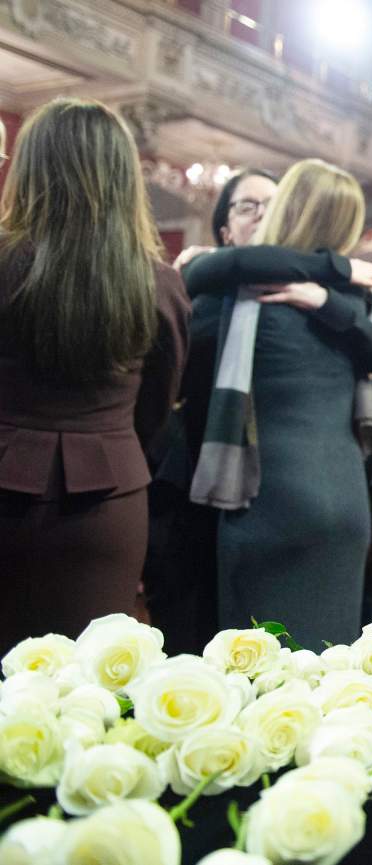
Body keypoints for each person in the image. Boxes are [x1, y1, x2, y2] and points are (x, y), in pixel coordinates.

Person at [182, 158, 372, 648]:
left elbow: (185, 386)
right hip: (345, 501)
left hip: (265, 500)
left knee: (256, 670)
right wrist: (326, 292)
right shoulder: (352, 301)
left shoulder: (229, 293)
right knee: (326, 666)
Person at [0, 97, 190, 650]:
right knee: (88, 683)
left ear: (29, 169)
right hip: (107, 500)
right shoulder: (158, 284)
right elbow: (157, 406)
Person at [144, 168, 280, 654]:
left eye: (272, 203)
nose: (261, 213)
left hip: (267, 487)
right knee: (186, 620)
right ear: (225, 228)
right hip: (189, 476)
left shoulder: (303, 296)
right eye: (247, 205)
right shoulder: (195, 285)